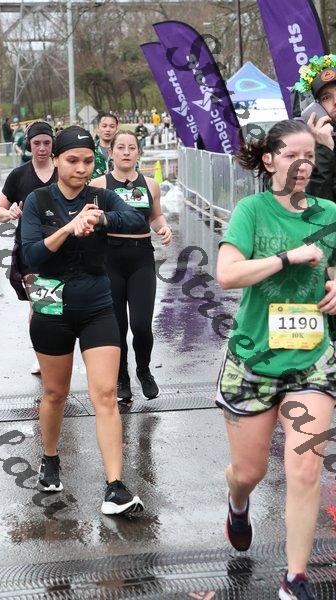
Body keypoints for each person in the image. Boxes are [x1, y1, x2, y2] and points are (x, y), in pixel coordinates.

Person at [216, 119, 336, 600]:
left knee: (305, 468)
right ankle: (237, 502)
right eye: (291, 156)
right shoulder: (252, 210)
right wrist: (288, 257)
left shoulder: (329, 212)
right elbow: (227, 274)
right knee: (250, 473)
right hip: (254, 359)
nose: (302, 165)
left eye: (310, 156)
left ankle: (295, 578)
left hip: (312, 360)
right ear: (269, 161)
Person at [20, 126, 146, 514]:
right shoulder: (38, 200)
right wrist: (68, 228)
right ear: (57, 160)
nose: (81, 168)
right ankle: (50, 458)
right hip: (52, 307)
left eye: (88, 161)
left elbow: (136, 220)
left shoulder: (101, 196)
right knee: (55, 393)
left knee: (105, 395)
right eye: (72, 160)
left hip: (96, 305)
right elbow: (31, 255)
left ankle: (115, 487)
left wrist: (102, 219)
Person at [92, 131, 172, 401]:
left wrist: (164, 228)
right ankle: (121, 376)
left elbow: (156, 216)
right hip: (110, 259)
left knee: (141, 324)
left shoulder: (150, 184)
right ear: (111, 152)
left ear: (139, 152)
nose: (126, 152)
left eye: (132, 148)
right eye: (121, 147)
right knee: (117, 325)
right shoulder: (99, 184)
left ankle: (144, 370)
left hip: (141, 258)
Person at [0, 121, 57, 375]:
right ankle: (43, 355)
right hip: (31, 249)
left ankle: (60, 352)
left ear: (52, 144)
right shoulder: (19, 175)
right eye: (36, 143)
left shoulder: (63, 171)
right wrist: (9, 213)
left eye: (46, 143)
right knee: (41, 305)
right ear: (29, 145)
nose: (41, 148)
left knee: (63, 305)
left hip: (64, 247)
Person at [294, 54, 336, 201]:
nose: (335, 101)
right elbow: (314, 206)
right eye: (326, 97)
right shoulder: (308, 151)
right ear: (316, 108)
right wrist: (323, 150)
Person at [92, 112, 119, 179]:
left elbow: (132, 176)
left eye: (112, 127)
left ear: (116, 129)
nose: (108, 130)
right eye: (104, 126)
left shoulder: (123, 152)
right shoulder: (90, 150)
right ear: (98, 128)